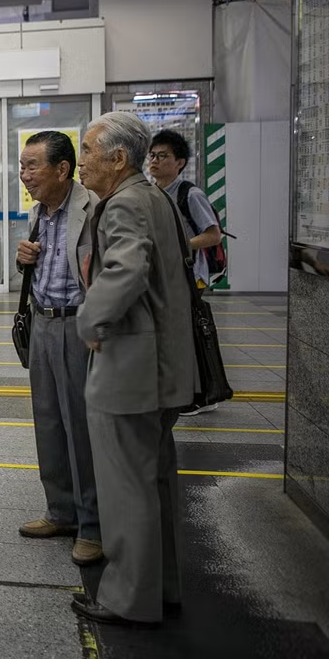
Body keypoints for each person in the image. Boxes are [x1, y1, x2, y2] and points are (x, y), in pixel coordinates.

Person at [72, 112, 196, 627]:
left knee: (126, 488)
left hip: (130, 368)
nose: (81, 162)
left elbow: (126, 269)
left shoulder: (123, 203)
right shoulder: (155, 198)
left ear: (118, 158)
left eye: (86, 151)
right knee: (153, 481)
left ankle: (127, 598)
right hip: (162, 368)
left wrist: (90, 320)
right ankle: (160, 587)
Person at [16, 131, 103, 566]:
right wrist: (23, 259)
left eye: (32, 166)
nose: (24, 175)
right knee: (48, 423)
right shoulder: (40, 213)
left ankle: (93, 525)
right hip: (43, 324)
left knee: (81, 429)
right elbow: (38, 268)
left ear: (62, 169)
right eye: (22, 166)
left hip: (77, 328)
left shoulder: (92, 209)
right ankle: (61, 511)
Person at [147, 128, 224, 415]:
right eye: (152, 155)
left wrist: (179, 245)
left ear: (179, 162)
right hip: (166, 276)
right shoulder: (152, 191)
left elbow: (213, 235)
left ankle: (201, 396)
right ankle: (185, 391)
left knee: (189, 335)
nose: (154, 161)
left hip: (191, 277)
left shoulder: (189, 193)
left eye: (162, 156)